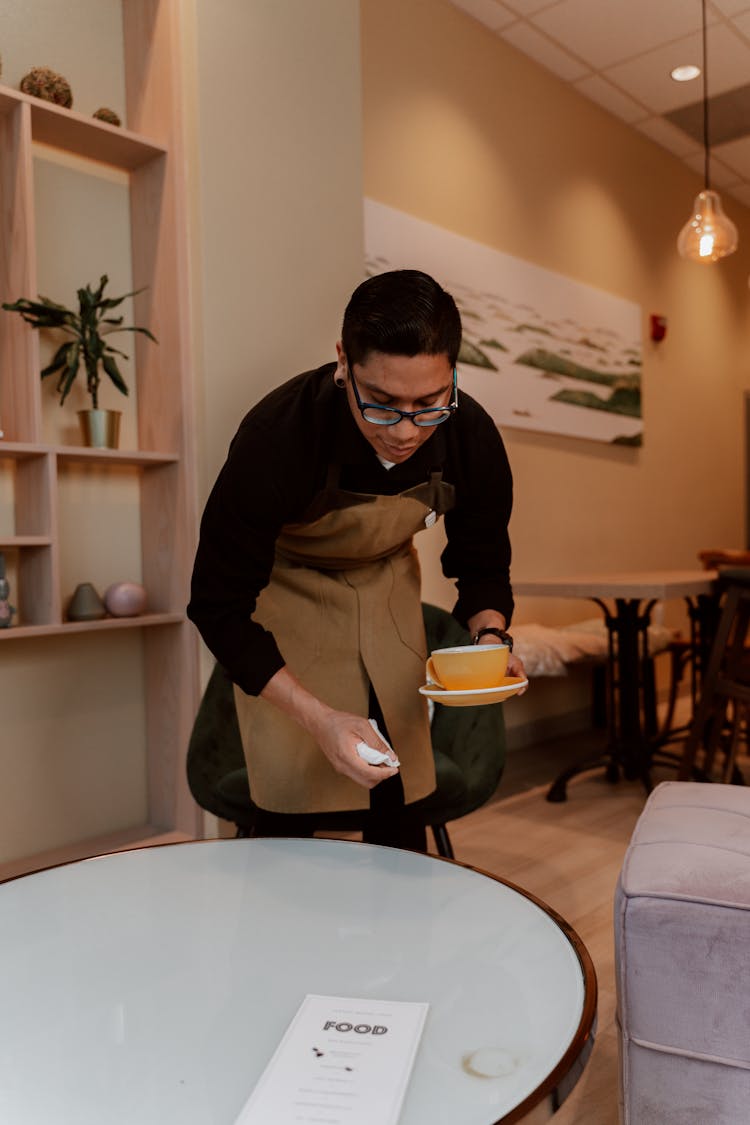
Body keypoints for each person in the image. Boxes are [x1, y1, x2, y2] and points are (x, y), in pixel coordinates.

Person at [187, 269, 525, 850]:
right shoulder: (278, 437)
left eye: (429, 403)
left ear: (452, 375)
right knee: (290, 798)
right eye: (383, 404)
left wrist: (492, 639)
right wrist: (318, 717)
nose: (406, 431)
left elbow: (483, 561)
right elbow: (217, 607)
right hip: (286, 593)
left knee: (398, 794)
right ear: (344, 361)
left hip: (386, 588)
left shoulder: (470, 435)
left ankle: (401, 938)